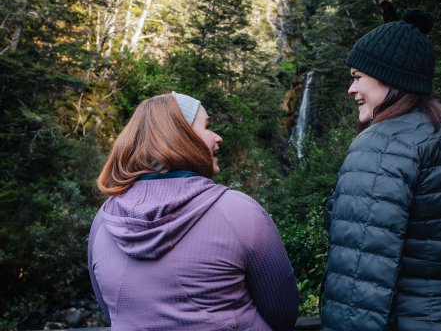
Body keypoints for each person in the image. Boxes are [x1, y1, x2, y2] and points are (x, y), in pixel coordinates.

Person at [321, 9, 441, 331]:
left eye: (357, 77)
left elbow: (359, 273)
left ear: (390, 78)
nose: (351, 89)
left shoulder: (382, 144)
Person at [88, 91, 299, 331]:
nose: (218, 138)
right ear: (178, 136)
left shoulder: (104, 220)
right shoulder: (239, 212)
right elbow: (283, 314)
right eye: (207, 127)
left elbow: (112, 311)